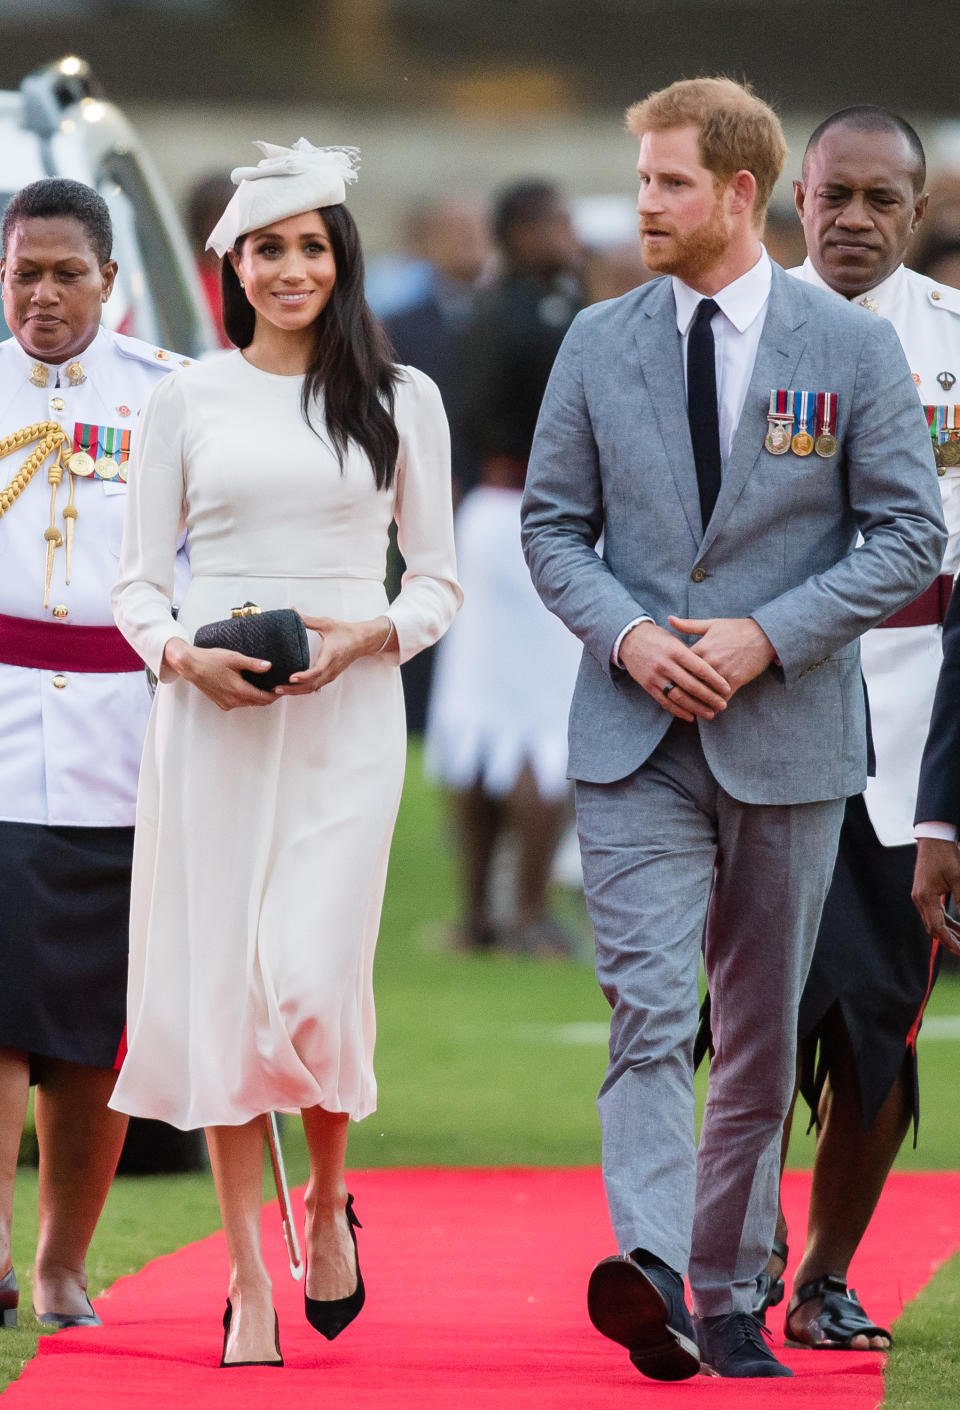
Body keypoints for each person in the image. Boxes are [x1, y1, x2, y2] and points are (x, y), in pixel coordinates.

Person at [520, 77, 947, 1380]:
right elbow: (550, 529)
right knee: (651, 1009)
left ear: (742, 193)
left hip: (793, 732)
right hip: (633, 736)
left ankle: (726, 1291)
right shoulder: (597, 339)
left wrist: (770, 634)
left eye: (667, 183)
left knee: (761, 1029)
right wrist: (632, 634)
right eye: (639, 180)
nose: (642, 203)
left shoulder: (853, 349)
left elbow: (910, 536)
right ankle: (651, 1264)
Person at [110, 138, 460, 1368]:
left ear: (341, 258)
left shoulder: (402, 396)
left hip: (348, 718)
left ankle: (324, 1198)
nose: (292, 267)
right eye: (270, 247)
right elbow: (140, 582)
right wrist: (176, 657)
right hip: (211, 719)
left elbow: (440, 585)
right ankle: (248, 1274)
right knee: (225, 998)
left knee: (306, 985)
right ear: (234, 265)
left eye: (313, 246)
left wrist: (375, 635)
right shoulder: (185, 396)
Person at [735, 106, 960, 1353]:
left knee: (878, 1016)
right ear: (794, 199)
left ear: (916, 212)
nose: (857, 220)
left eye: (884, 200)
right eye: (836, 198)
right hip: (767, 707)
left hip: (916, 713)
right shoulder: (736, 330)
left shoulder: (953, 351)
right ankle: (739, 1249)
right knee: (758, 1003)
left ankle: (824, 1275)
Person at [0, 178, 191, 1330]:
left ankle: (65, 1262)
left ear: (111, 282)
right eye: (25, 271)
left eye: (68, 272)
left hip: (129, 744)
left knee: (94, 1031)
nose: (45, 294)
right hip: (0, 726)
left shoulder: (171, 396)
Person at [425, 180, 584, 955]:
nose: (569, 234)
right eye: (556, 221)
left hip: (484, 514)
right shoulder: (550, 318)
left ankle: (476, 913)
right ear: (522, 232)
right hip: (542, 516)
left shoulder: (484, 310)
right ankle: (525, 911)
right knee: (542, 720)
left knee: (481, 714)